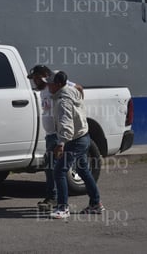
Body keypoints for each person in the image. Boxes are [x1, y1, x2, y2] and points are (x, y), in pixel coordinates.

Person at [44, 70, 104, 219]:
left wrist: (61, 144)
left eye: (50, 83)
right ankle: (96, 204)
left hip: (74, 141)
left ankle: (63, 208)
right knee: (83, 170)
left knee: (59, 171)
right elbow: (79, 89)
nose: (48, 86)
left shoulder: (62, 101)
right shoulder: (71, 91)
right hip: (83, 137)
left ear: (58, 84)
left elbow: (66, 126)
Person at [27, 65, 83, 211]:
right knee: (51, 167)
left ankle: (56, 200)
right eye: (34, 79)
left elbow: (78, 87)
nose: (35, 81)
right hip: (50, 135)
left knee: (56, 168)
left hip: (59, 136)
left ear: (45, 75)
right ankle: (55, 198)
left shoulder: (55, 87)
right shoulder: (43, 91)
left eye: (37, 78)